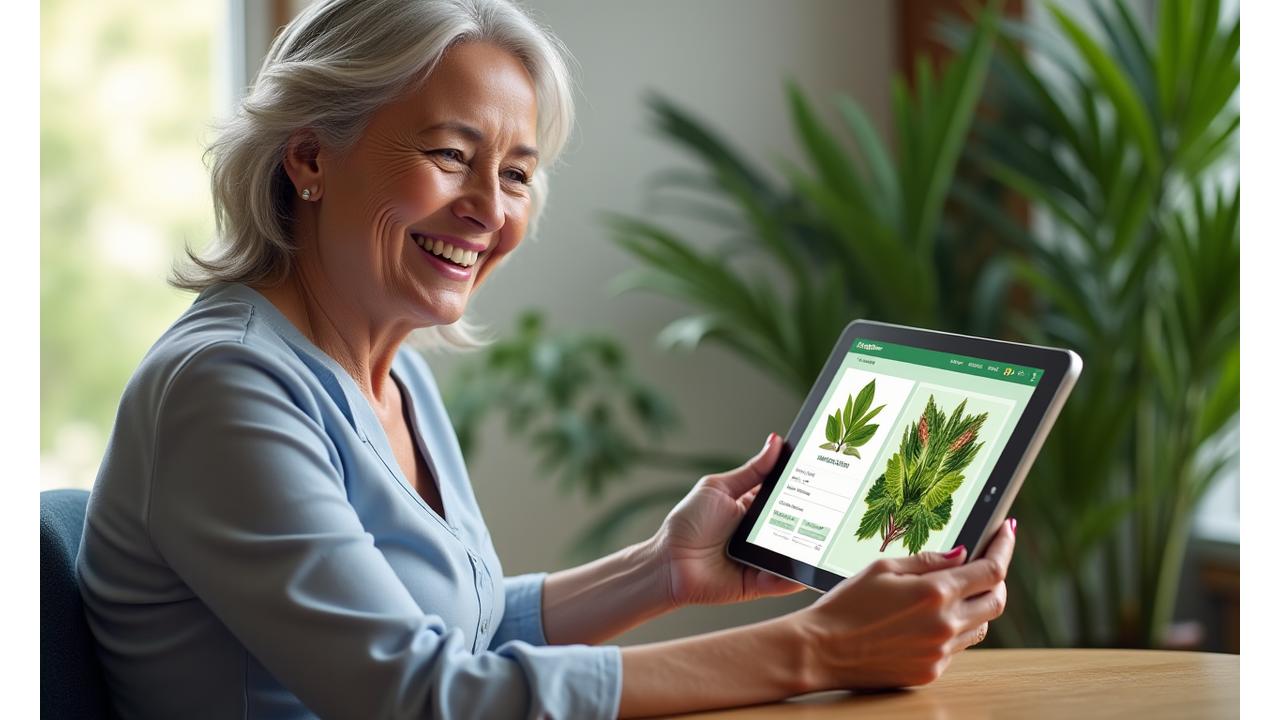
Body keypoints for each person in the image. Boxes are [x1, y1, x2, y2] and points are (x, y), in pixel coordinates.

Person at [76, 0, 1016, 717]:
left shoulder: (393, 374)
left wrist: (661, 569)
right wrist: (816, 650)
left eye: (518, 173)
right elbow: (423, 694)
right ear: (310, 161)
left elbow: (464, 636)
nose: (490, 207)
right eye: (451, 154)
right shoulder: (225, 388)